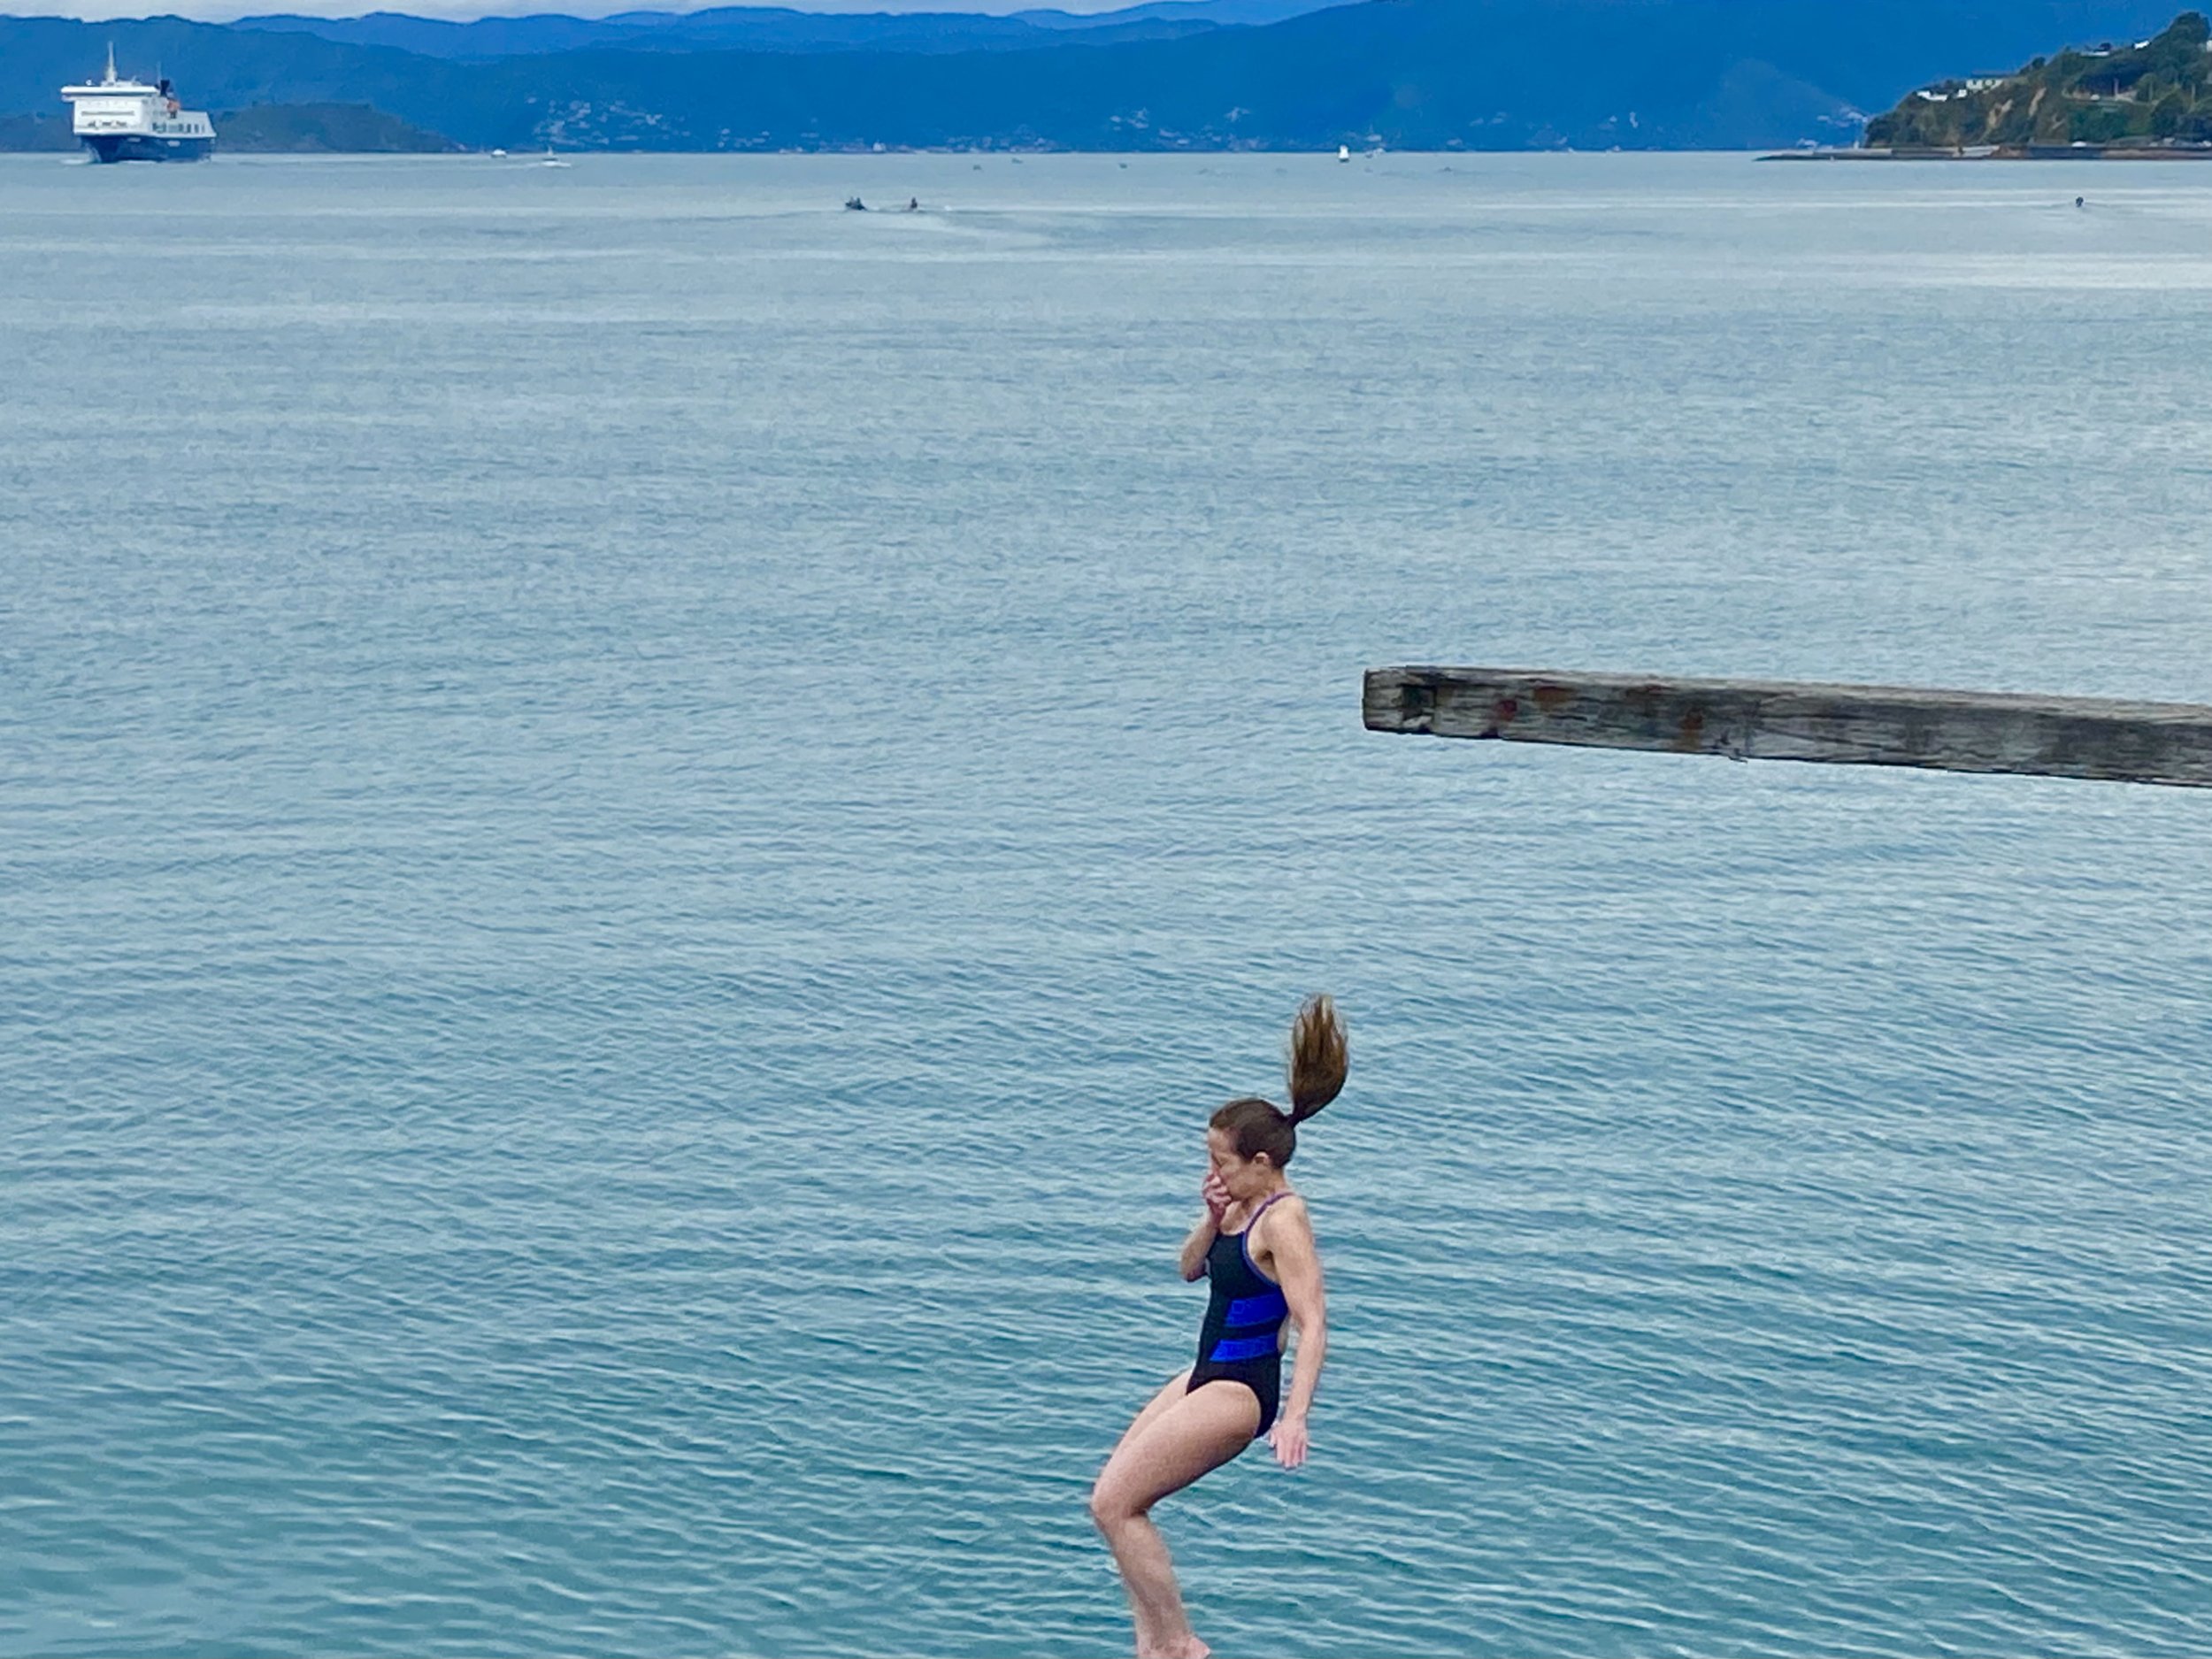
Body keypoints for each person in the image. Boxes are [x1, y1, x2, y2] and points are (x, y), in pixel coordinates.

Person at [1090, 995, 1348, 1659]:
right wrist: (1210, 1215)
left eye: (1224, 1163)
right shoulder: (1236, 1206)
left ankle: (1178, 1645)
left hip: (1243, 1389)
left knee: (1118, 1505)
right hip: (1204, 1373)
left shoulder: (1284, 1217)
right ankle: (1152, 1644)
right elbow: (1187, 1271)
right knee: (1108, 1499)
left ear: (1262, 1162)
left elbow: (1314, 1322)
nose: (1215, 1173)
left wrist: (1294, 1416)